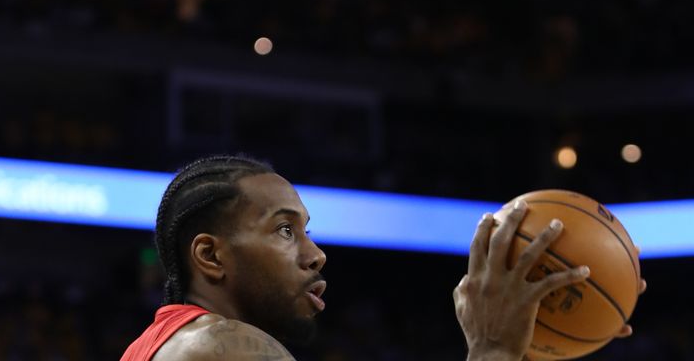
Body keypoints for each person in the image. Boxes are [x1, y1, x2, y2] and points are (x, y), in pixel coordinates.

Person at [121, 155, 644, 361]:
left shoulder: (167, 345)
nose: (316, 255)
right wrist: (491, 349)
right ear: (210, 257)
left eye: (308, 231)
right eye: (284, 230)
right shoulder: (218, 348)